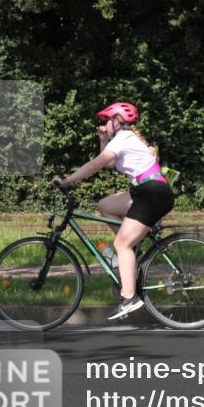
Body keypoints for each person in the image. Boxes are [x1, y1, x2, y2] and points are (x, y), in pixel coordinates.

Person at [52, 102, 175, 319]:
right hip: (145, 191)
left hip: (152, 193)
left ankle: (129, 298)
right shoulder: (123, 139)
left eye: (106, 120)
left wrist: (67, 181)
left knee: (121, 244)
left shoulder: (124, 138)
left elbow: (95, 165)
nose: (103, 125)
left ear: (116, 121)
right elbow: (108, 163)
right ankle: (126, 259)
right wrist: (103, 140)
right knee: (104, 206)